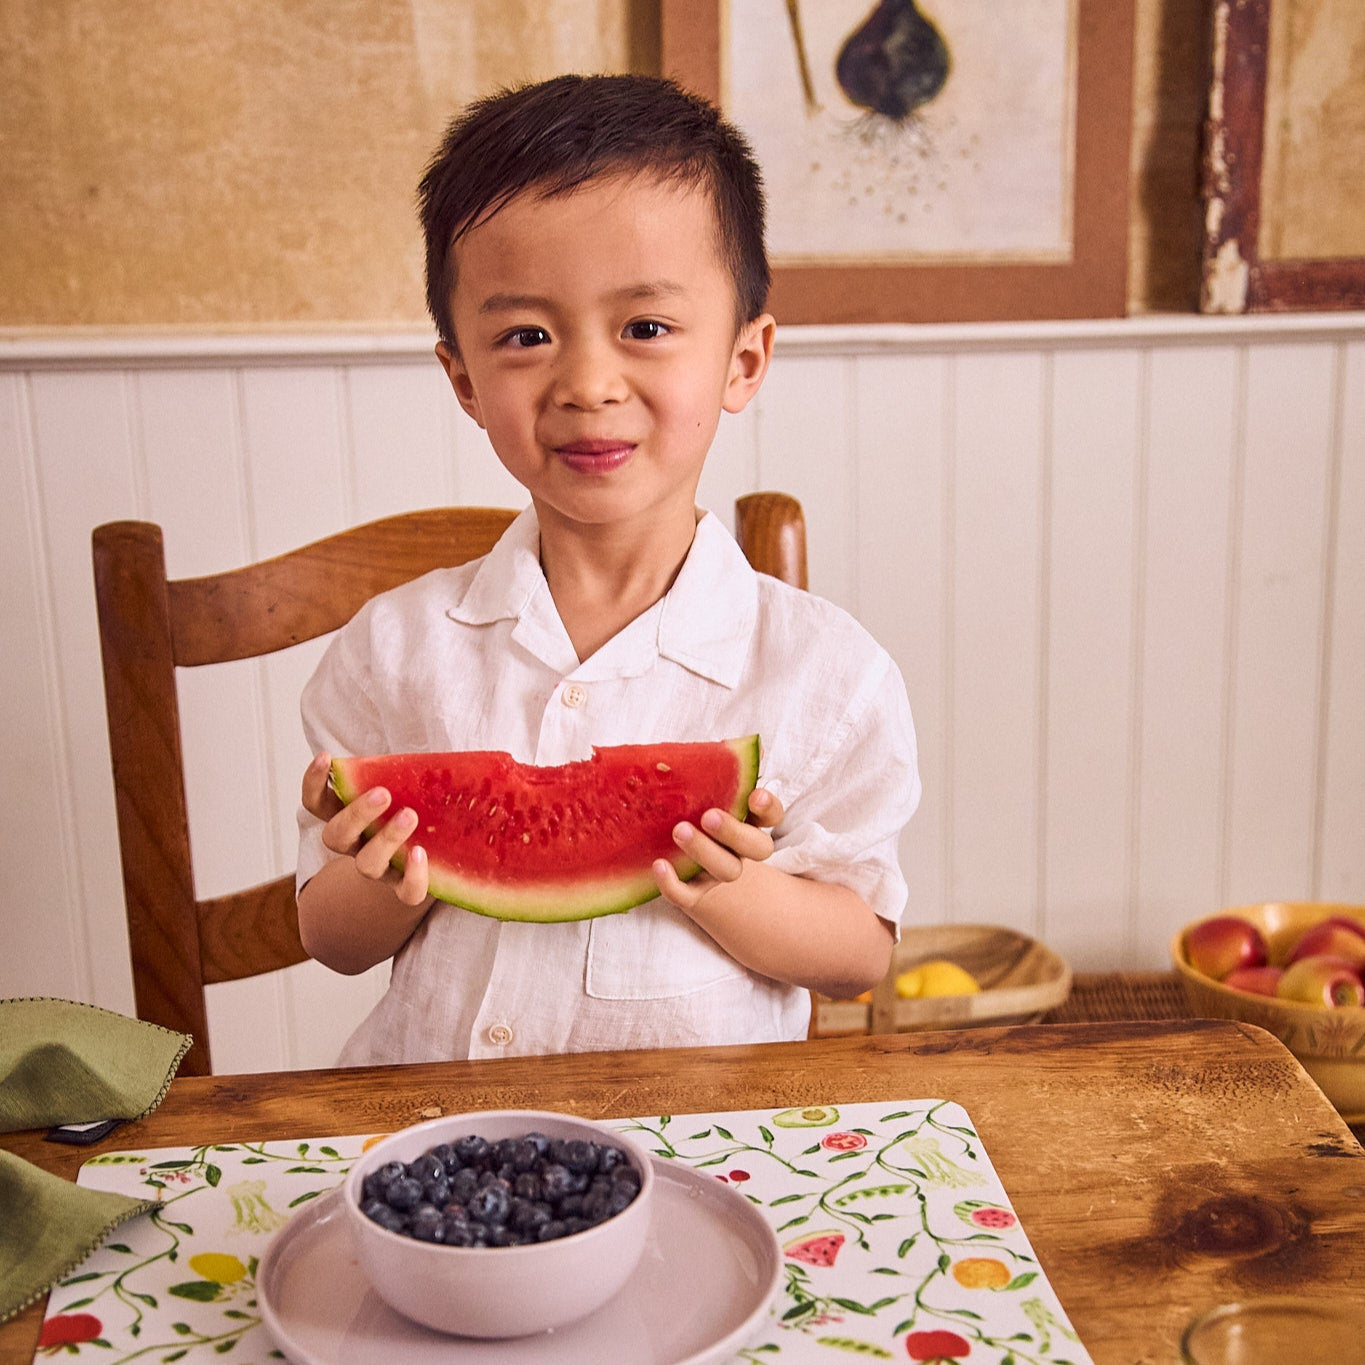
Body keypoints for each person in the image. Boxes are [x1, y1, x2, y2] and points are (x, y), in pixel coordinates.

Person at [295, 73, 920, 1065]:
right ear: (462, 377)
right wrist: (381, 873)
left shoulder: (823, 675)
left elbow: (859, 954)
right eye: (526, 337)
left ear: (743, 362)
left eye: (646, 328)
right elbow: (328, 942)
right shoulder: (392, 652)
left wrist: (736, 891)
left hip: (704, 1147)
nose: (587, 384)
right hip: (438, 1140)